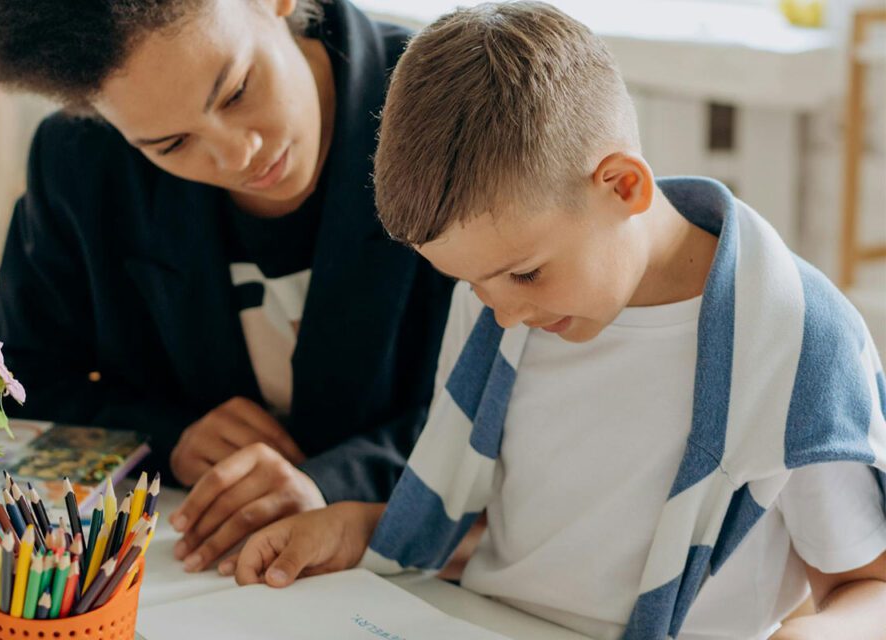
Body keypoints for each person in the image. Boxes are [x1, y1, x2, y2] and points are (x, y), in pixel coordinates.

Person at [229, 4, 886, 639]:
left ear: (623, 186)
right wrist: (355, 525)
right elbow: (534, 550)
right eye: (471, 282)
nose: (504, 311)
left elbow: (866, 583)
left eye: (525, 273)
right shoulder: (500, 308)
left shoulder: (798, 345)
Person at [0, 0, 452, 573]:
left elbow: (513, 399)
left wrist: (334, 480)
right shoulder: (81, 161)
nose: (237, 153)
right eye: (170, 145)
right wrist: (168, 437)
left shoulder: (446, 107)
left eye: (238, 90)